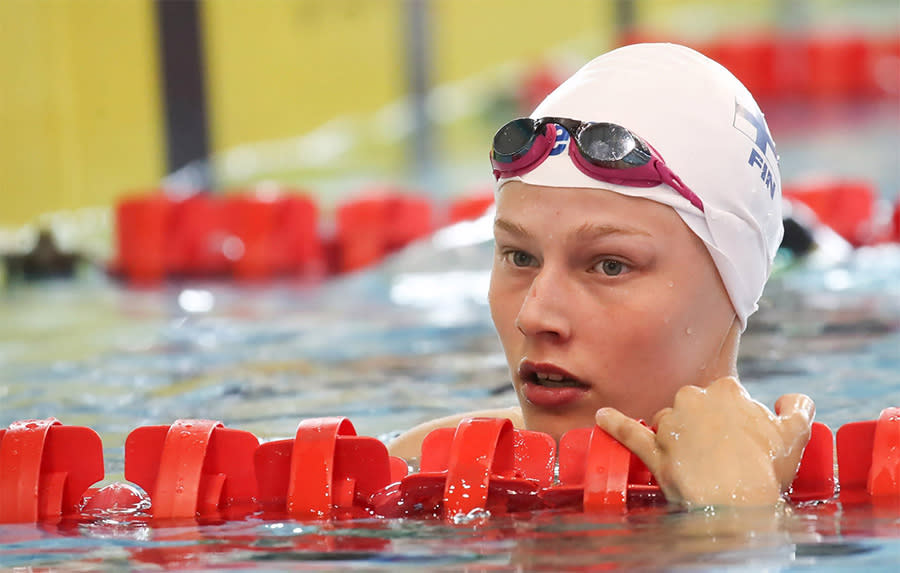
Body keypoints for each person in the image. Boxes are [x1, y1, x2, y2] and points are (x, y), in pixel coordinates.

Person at [388, 43, 815, 507]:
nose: (535, 316)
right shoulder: (419, 469)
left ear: (734, 285)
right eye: (519, 257)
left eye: (610, 266)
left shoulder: (845, 492)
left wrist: (740, 516)